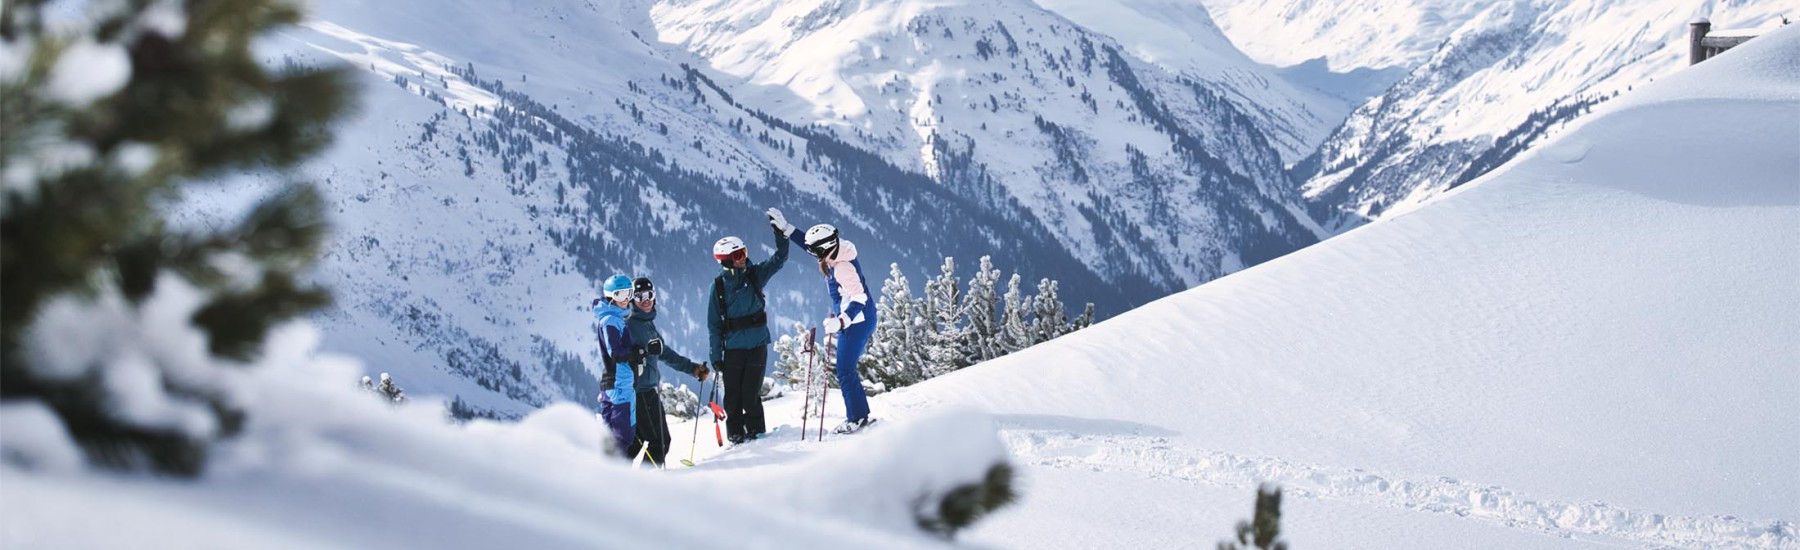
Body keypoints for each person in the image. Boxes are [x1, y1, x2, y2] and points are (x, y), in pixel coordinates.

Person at [707, 208, 793, 444]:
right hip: (733, 349)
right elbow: (714, 325)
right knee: (732, 397)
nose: (743, 257)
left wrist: (781, 234)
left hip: (756, 345)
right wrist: (716, 355)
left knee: (750, 394)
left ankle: (757, 433)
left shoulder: (755, 275)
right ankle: (735, 435)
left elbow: (780, 259)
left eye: (743, 252)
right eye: (737, 255)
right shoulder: (719, 288)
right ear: (726, 260)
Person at [785, 220, 876, 434]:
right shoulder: (834, 251)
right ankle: (860, 415)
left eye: (816, 250)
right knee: (846, 369)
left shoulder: (842, 267)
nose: (813, 253)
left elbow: (859, 297)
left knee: (844, 370)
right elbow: (811, 246)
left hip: (856, 322)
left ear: (825, 248)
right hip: (859, 319)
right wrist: (788, 229)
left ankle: (856, 419)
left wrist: (842, 321)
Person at [623, 276, 710, 465]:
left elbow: (665, 353)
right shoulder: (630, 325)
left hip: (646, 391)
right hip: (639, 392)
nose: (645, 300)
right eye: (639, 297)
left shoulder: (646, 323)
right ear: (632, 300)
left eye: (649, 295)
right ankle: (648, 482)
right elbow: (619, 357)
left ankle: (615, 482)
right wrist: (637, 354)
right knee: (659, 442)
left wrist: (693, 368)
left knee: (634, 444)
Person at [594, 274, 643, 460]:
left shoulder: (612, 318)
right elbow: (616, 352)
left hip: (612, 383)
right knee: (624, 436)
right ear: (611, 296)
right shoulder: (610, 320)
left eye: (629, 293)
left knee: (610, 436)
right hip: (620, 384)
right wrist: (635, 353)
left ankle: (605, 475)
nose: (626, 299)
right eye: (621, 294)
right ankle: (617, 479)